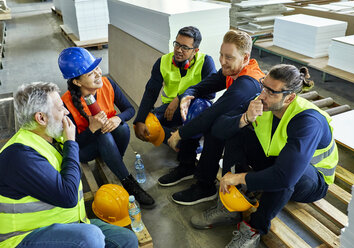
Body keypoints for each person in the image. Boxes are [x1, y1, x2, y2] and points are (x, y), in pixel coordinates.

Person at [193, 64, 338, 248]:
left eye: (271, 92)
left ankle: (254, 229)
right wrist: (245, 118)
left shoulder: (308, 121)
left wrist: (238, 177)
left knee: (290, 172)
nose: (262, 95)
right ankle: (231, 204)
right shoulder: (261, 102)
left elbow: (285, 177)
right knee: (238, 129)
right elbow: (219, 129)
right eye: (263, 87)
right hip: (277, 164)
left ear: (290, 98)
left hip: (310, 182)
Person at [0, 82, 138, 248]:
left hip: (68, 223)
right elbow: (68, 196)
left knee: (127, 239)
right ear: (41, 118)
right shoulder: (20, 156)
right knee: (89, 238)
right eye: (60, 108)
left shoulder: (50, 137)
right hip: (25, 237)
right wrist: (70, 142)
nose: (66, 112)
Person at [167, 30, 264, 205]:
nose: (222, 61)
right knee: (200, 106)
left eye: (229, 57)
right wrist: (187, 95)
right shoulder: (234, 70)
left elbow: (212, 114)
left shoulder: (246, 84)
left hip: (257, 148)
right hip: (245, 132)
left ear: (245, 57)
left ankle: (205, 186)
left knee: (216, 125)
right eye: (221, 55)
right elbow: (202, 86)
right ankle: (187, 165)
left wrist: (179, 134)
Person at [58, 47, 155, 209]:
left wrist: (118, 118)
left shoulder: (107, 84)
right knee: (104, 135)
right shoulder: (65, 104)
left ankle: (115, 161)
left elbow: (130, 110)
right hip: (84, 148)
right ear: (77, 81)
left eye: (97, 68)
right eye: (90, 73)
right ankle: (128, 183)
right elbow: (72, 145)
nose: (98, 74)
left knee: (122, 127)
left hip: (107, 140)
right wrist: (91, 128)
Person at [133, 26, 216, 186]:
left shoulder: (206, 61)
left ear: (195, 50)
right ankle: (181, 140)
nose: (179, 50)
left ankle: (186, 159)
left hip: (195, 109)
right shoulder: (163, 61)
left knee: (199, 106)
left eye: (185, 47)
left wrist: (180, 98)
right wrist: (139, 120)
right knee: (149, 127)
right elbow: (151, 92)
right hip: (171, 111)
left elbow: (210, 93)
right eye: (177, 44)